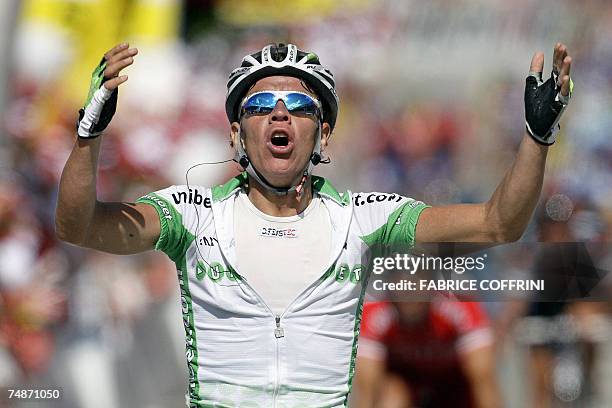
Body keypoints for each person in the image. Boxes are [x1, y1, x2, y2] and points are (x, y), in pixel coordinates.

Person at [55, 41, 573, 407]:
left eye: (298, 106)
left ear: (322, 134)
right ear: (237, 133)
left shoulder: (364, 217)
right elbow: (77, 226)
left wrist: (536, 137)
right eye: (261, 105)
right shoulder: (192, 213)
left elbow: (497, 224)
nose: (279, 115)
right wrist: (88, 134)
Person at [355, 297, 500, 408]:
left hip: (453, 385)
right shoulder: (374, 312)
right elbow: (368, 391)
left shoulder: (459, 305)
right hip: (406, 385)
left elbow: (484, 379)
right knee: (391, 397)